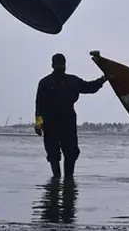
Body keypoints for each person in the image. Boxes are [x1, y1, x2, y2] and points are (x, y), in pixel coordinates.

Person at [34, 53, 107, 181]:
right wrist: (102, 80)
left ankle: (57, 181)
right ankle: (68, 180)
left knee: (55, 153)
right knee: (69, 152)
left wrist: (39, 125)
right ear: (65, 65)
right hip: (66, 121)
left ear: (52, 65)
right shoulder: (71, 81)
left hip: (53, 123)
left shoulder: (45, 82)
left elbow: (39, 106)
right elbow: (89, 87)